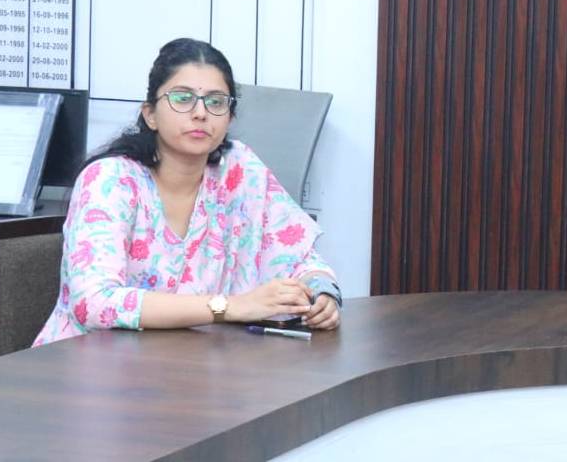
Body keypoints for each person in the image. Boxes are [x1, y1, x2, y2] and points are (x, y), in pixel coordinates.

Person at [34, 38, 341, 345]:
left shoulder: (239, 170)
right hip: (88, 361)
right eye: (182, 99)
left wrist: (321, 293)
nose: (200, 113)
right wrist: (229, 307)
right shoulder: (111, 179)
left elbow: (299, 258)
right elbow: (95, 302)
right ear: (150, 114)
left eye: (216, 102)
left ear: (230, 118)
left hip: (191, 361)